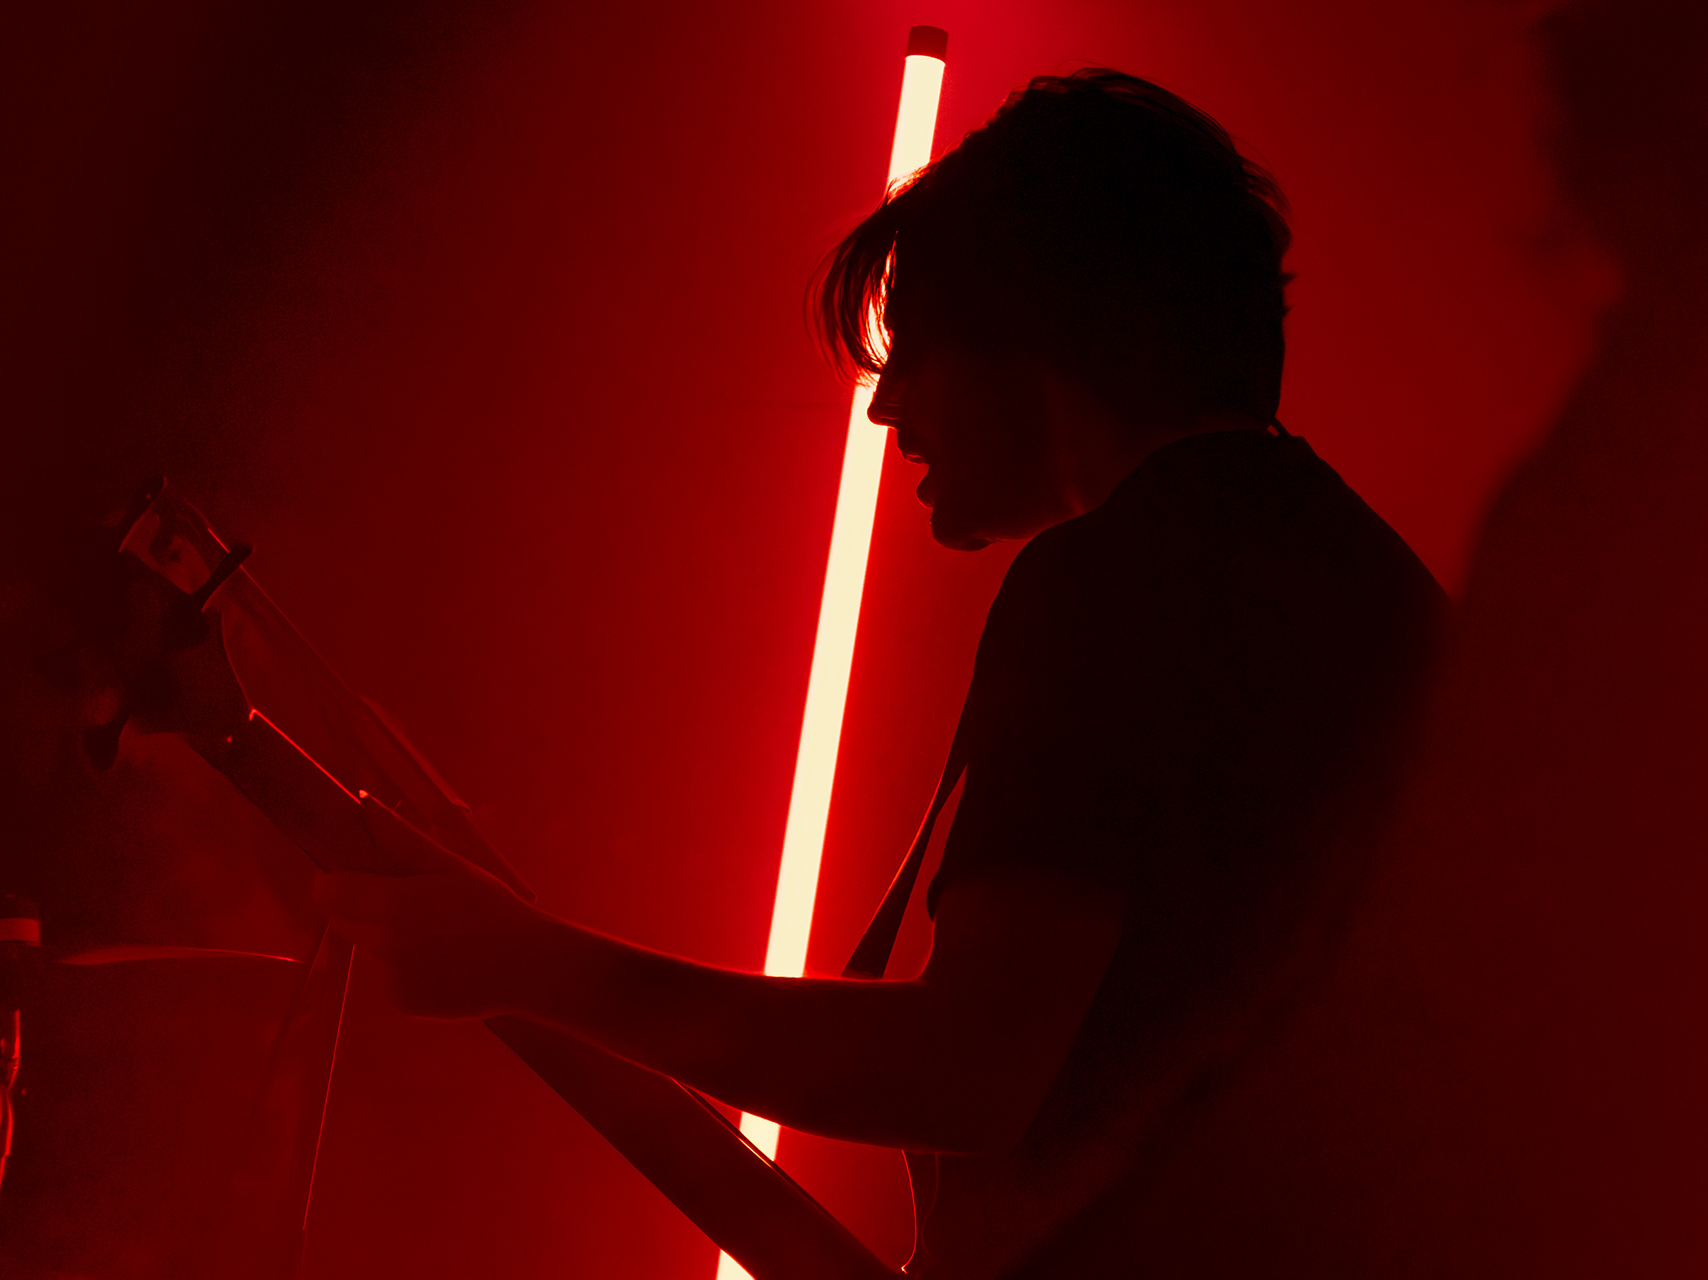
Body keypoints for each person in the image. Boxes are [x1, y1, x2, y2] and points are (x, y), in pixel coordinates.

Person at [316, 69, 1447, 1277]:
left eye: (915, 346)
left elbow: (966, 1068)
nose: (885, 408)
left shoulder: (1117, 583)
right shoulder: (1380, 588)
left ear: (1040, 329)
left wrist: (533, 965)